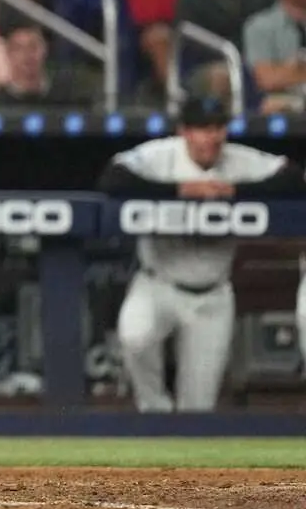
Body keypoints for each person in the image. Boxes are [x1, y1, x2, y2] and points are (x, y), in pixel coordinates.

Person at [98, 95, 303, 411]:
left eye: (217, 128)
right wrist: (178, 191)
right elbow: (112, 178)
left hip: (212, 294)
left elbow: (291, 177)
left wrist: (236, 191)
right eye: (202, 128)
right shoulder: (162, 155)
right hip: (158, 283)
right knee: (135, 336)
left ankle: (182, 455)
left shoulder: (238, 160)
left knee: (198, 407)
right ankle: (154, 409)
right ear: (184, 132)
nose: (211, 136)